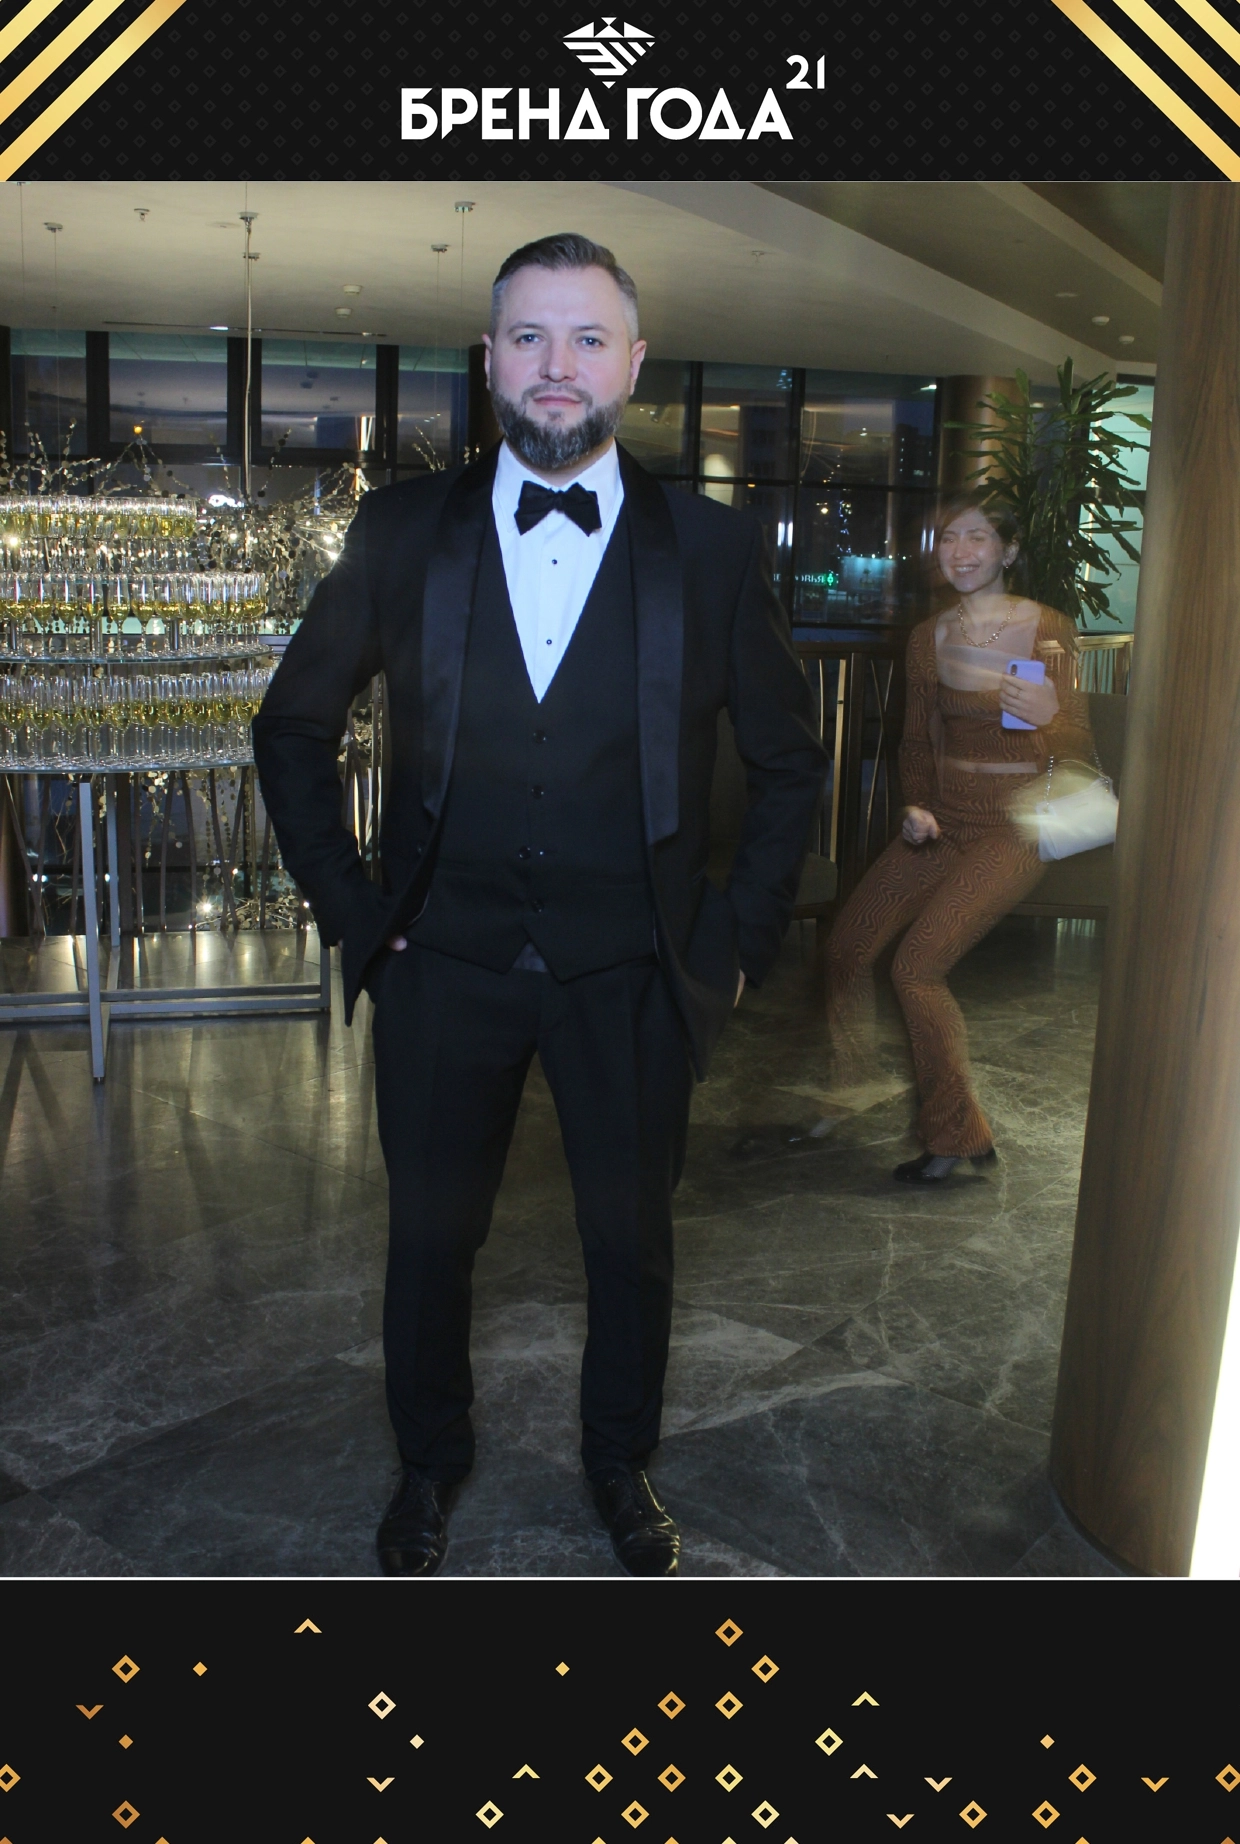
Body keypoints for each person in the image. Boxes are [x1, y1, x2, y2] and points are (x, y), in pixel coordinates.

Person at [252, 233, 826, 1577]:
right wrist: (356, 912)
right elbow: (291, 727)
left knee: (631, 1245)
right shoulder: (404, 530)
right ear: (490, 358)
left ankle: (621, 1460)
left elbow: (791, 762)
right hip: (439, 961)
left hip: (632, 970)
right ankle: (427, 1463)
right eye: (528, 336)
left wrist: (737, 941)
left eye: (585, 338)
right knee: (427, 1241)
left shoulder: (712, 546)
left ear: (632, 363)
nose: (556, 365)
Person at [823, 495, 1095, 1184]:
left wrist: (1051, 714)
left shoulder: (1048, 628)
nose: (962, 550)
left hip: (1016, 827)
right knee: (847, 946)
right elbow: (918, 740)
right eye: (949, 537)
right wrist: (914, 804)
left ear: (1008, 550)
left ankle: (955, 1135)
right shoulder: (928, 637)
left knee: (916, 968)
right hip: (942, 822)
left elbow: (1080, 748)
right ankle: (846, 1085)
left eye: (978, 537)